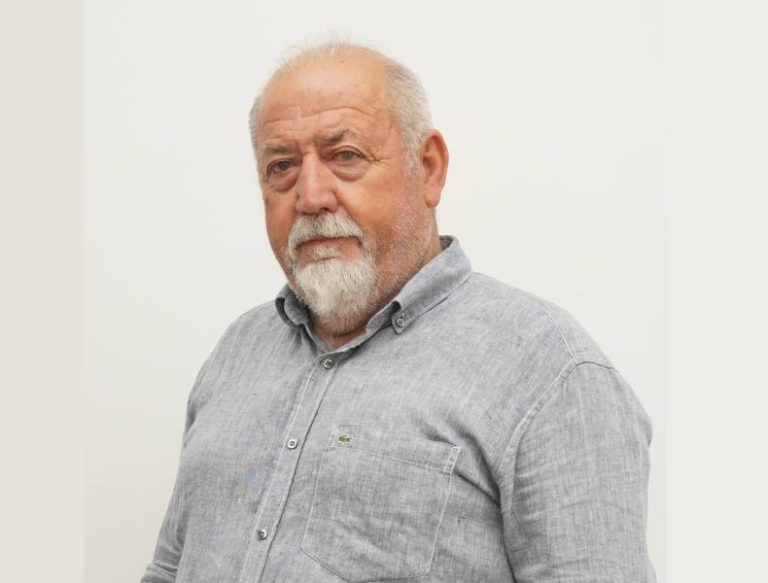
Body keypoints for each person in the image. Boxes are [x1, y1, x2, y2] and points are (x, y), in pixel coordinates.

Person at [141, 41, 655, 583]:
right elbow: (169, 569)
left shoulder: (550, 373)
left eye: (345, 156)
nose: (311, 196)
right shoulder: (237, 352)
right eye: (282, 166)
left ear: (428, 168)